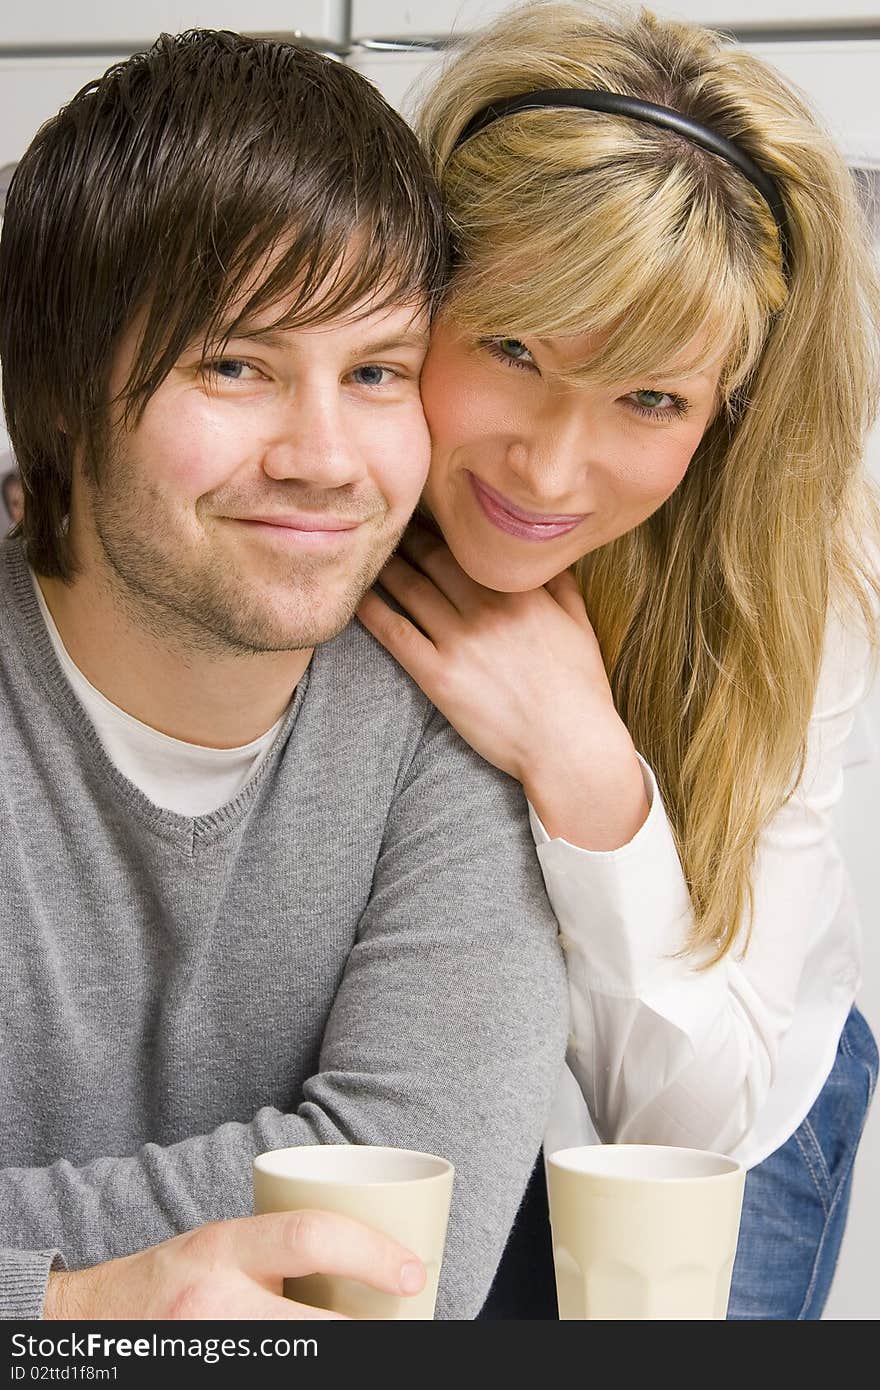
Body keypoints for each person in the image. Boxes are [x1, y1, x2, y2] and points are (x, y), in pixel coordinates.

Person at [0, 30, 568, 1321]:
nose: (324, 457)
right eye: (237, 365)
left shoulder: (462, 703)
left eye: (376, 372)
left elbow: (417, 1242)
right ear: (62, 397)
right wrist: (74, 1312)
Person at [357, 0, 880, 1319]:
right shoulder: (332, 471)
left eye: (650, 397)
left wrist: (588, 773)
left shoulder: (790, 564)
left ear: (725, 411)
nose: (546, 468)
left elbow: (700, 1118)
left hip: (730, 1098)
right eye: (515, 348)